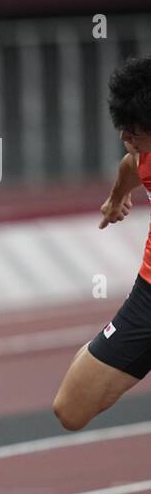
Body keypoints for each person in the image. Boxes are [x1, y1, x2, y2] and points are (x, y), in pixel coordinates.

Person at [54, 56, 151, 432]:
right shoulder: (143, 156)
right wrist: (115, 199)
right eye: (123, 132)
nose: (128, 141)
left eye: (136, 134)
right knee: (70, 410)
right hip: (148, 297)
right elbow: (131, 166)